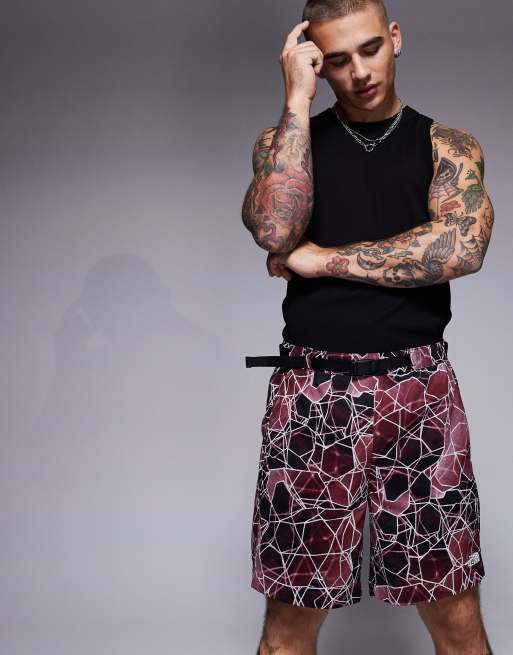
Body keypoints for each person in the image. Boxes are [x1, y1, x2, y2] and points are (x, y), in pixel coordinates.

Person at [241, 1, 495, 654]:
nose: (358, 71)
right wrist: (296, 100)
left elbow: (460, 248)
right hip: (313, 394)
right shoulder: (283, 144)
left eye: (369, 49)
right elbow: (273, 229)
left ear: (394, 38)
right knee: (287, 629)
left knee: (458, 623)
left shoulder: (448, 145)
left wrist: (321, 259)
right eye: (335, 60)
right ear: (314, 63)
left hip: (418, 393)